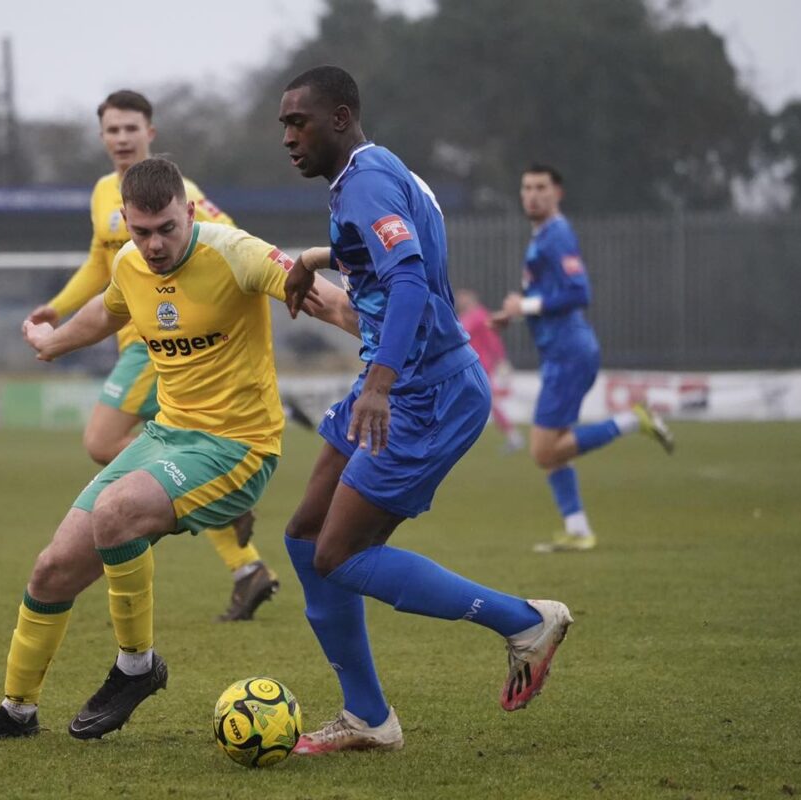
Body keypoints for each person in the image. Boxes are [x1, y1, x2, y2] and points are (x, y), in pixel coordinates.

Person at [0, 156, 356, 742]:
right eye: (140, 231)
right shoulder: (131, 264)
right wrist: (52, 344)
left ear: (188, 211)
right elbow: (105, 311)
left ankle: (137, 668)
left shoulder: (237, 252)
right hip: (164, 438)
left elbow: (329, 303)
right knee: (52, 570)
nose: (153, 245)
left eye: (166, 229)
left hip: (238, 445)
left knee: (117, 512)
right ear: (127, 223)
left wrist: (401, 342)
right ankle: (16, 712)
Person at [277, 66, 573, 756]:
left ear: (342, 117)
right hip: (400, 382)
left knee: (338, 555)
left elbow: (410, 277)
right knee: (304, 537)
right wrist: (317, 257)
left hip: (422, 393)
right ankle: (368, 718)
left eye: (301, 122)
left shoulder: (367, 183)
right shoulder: (369, 173)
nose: (289, 137)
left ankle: (525, 622)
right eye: (284, 125)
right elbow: (391, 252)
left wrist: (378, 384)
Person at [26, 90, 278, 622]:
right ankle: (244, 562)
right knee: (110, 452)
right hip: (129, 333)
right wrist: (59, 309)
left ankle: (227, 511)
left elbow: (224, 241)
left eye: (130, 129)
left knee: (101, 442)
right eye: (112, 130)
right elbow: (104, 268)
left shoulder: (180, 192)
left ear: (150, 134)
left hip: (161, 342)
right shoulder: (102, 194)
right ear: (102, 137)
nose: (121, 139)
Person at [492, 165, 674, 553]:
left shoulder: (557, 234)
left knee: (543, 450)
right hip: (563, 352)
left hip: (570, 353)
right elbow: (552, 295)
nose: (532, 195)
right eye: (526, 188)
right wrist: (518, 311)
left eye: (541, 187)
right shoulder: (542, 236)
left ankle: (632, 420)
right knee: (556, 445)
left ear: (558, 193)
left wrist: (524, 304)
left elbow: (579, 293)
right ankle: (577, 529)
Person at [455, 288, 524, 452]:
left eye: (462, 298)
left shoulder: (479, 315)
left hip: (480, 363)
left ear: (470, 298)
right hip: (470, 364)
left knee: (488, 400)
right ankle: (512, 436)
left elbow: (491, 337)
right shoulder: (468, 316)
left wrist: (501, 359)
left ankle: (513, 436)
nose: (459, 301)